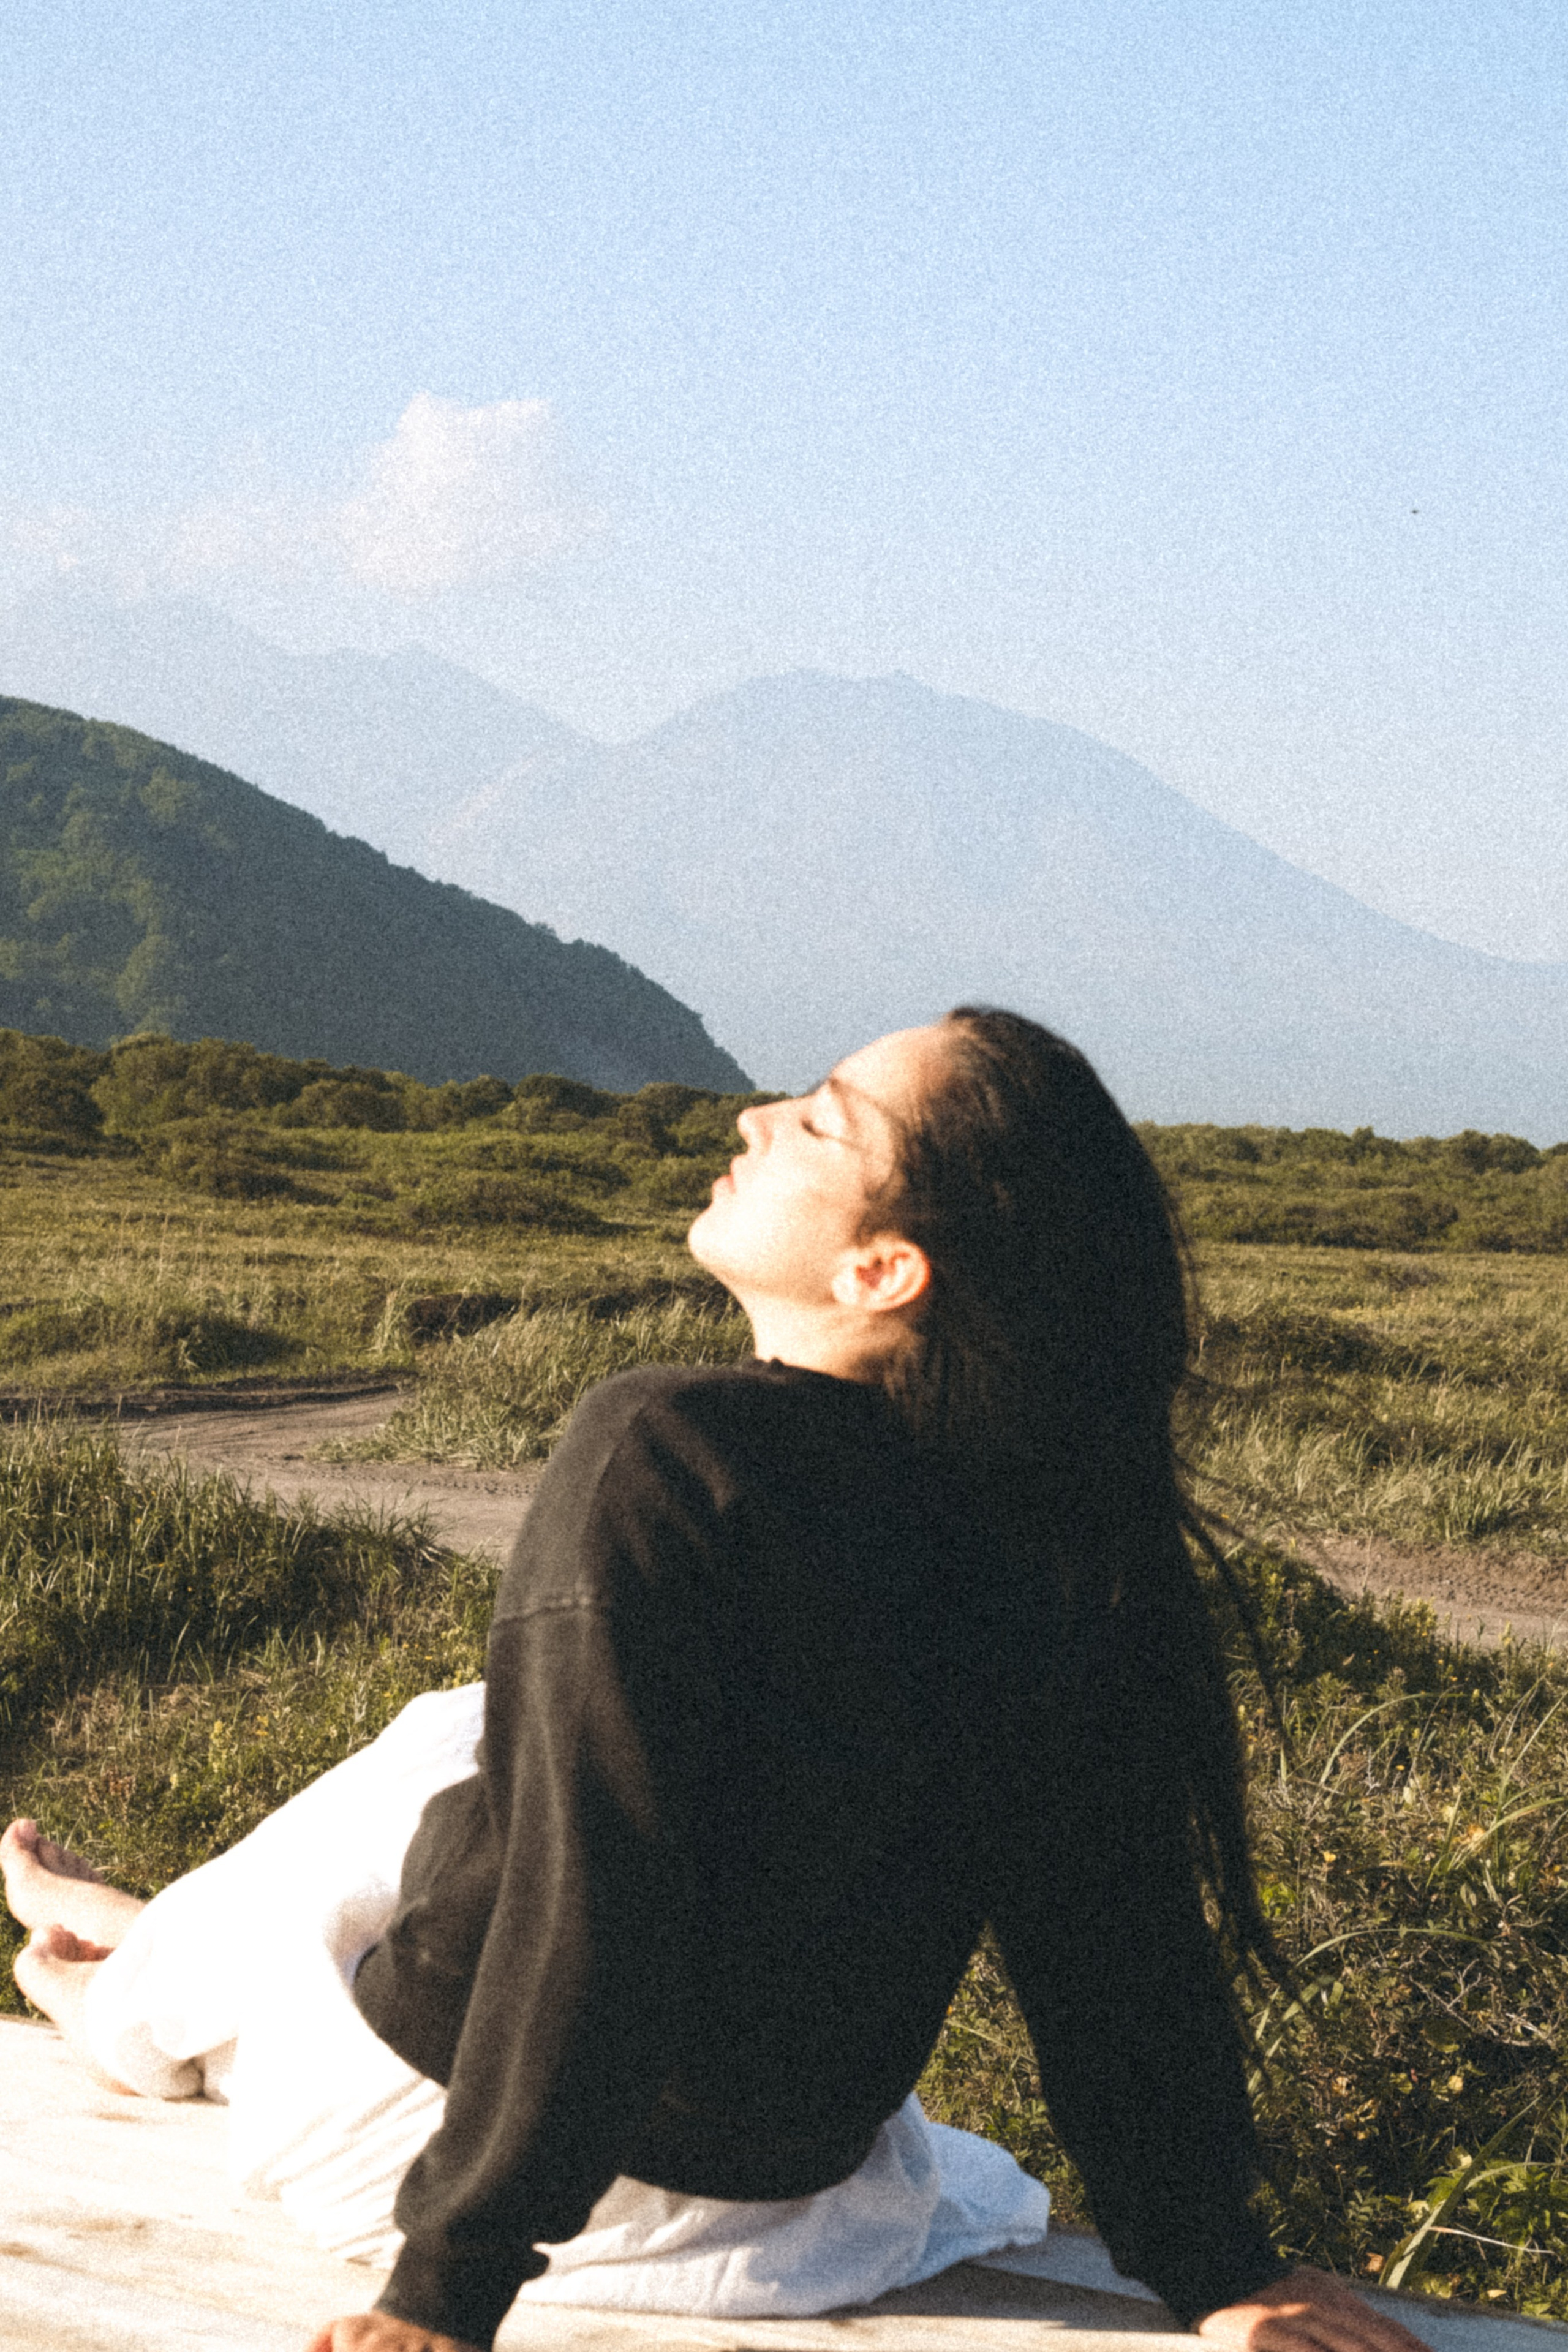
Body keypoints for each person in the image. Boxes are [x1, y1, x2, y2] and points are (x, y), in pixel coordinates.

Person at [6, 1010, 1430, 2352]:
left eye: (817, 1123)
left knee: (444, 1762)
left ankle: (129, 1982)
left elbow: (593, 1873)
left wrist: (448, 2286)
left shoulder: (665, 1446)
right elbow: (1104, 1930)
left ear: (881, 1272)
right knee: (459, 1751)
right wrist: (1215, 2267)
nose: (753, 1118)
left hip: (453, 2161)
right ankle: (151, 1938)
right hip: (794, 2214)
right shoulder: (1040, 1523)